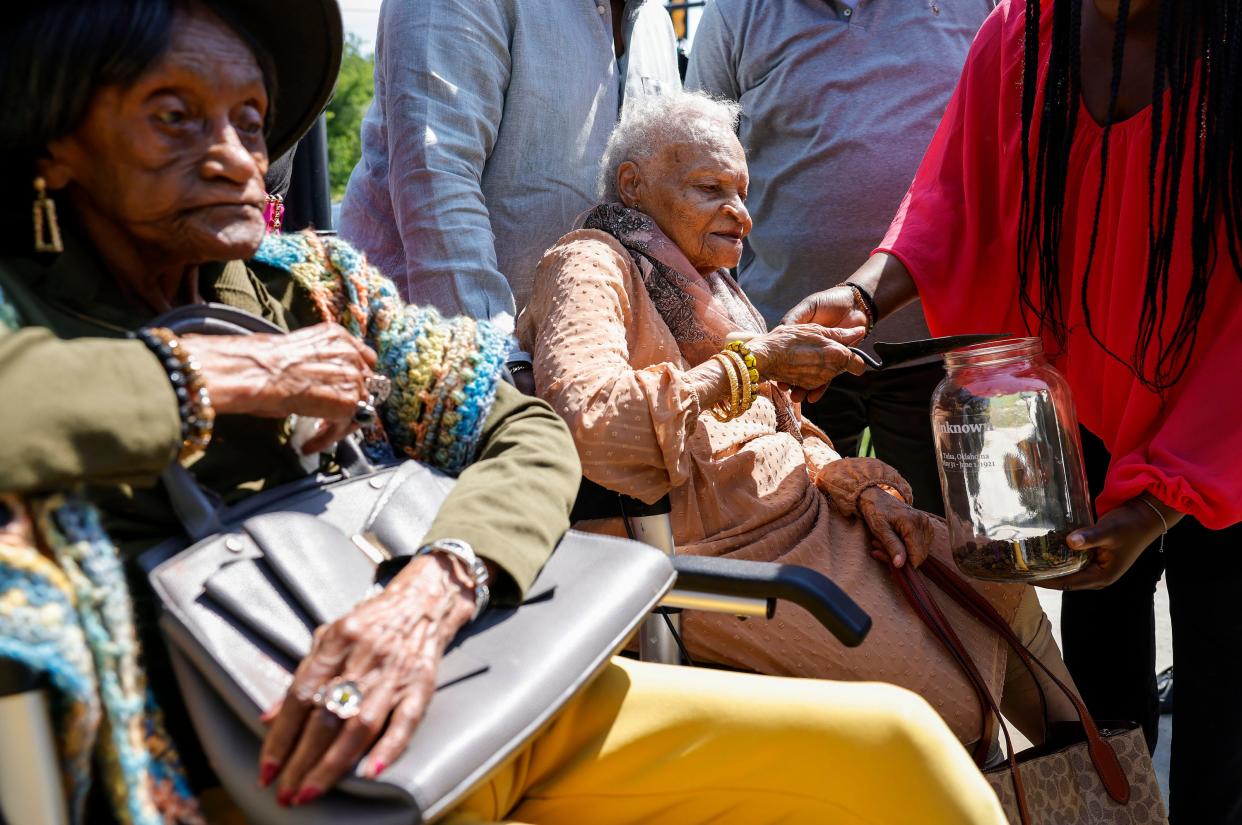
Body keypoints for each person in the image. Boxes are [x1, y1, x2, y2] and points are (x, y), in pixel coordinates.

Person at [0, 3, 1010, 823]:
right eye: (173, 115)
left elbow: (523, 429)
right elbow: (459, 215)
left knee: (901, 749)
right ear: (56, 143)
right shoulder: (31, 314)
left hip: (472, 689)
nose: (232, 155)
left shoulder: (310, 285)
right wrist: (207, 381)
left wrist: (442, 579)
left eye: (254, 119)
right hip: (252, 762)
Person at [784, 1, 1242, 821]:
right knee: (1100, 695)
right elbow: (949, 198)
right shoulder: (1024, 32)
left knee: (1226, 710)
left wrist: (1159, 505)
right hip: (1087, 426)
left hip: (1226, 428)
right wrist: (861, 295)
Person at [518, 90, 1081, 751]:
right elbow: (589, 424)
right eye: (712, 189)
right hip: (723, 557)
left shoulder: (708, 283)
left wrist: (859, 487)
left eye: (744, 192)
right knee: (951, 703)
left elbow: (781, 428)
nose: (742, 216)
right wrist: (751, 362)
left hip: (812, 523)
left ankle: (1093, 793)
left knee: (994, 583)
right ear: (633, 184)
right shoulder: (589, 261)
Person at [686, 0, 997, 516]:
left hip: (937, 351)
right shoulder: (735, 13)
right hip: (787, 352)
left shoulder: (977, 8)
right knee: (800, 536)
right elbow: (699, 161)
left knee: (952, 547)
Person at [338, 0, 680, 338]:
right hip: (426, 355)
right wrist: (499, 359)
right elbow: (437, 180)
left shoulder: (654, 21)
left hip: (588, 360)